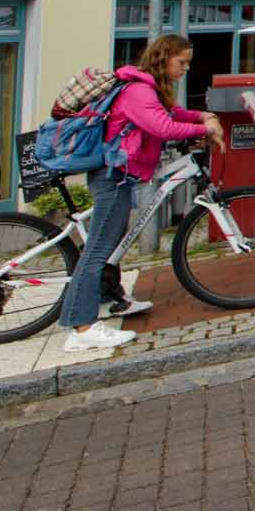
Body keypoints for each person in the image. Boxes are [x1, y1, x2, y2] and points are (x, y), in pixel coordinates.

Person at [58, 36, 224, 354]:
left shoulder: (147, 89)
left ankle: (111, 299)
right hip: (113, 177)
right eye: (182, 62)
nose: (185, 69)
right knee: (96, 252)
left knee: (110, 246)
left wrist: (199, 116)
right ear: (163, 60)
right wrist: (205, 130)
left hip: (119, 175)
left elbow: (170, 113)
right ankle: (81, 327)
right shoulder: (138, 90)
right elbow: (162, 127)